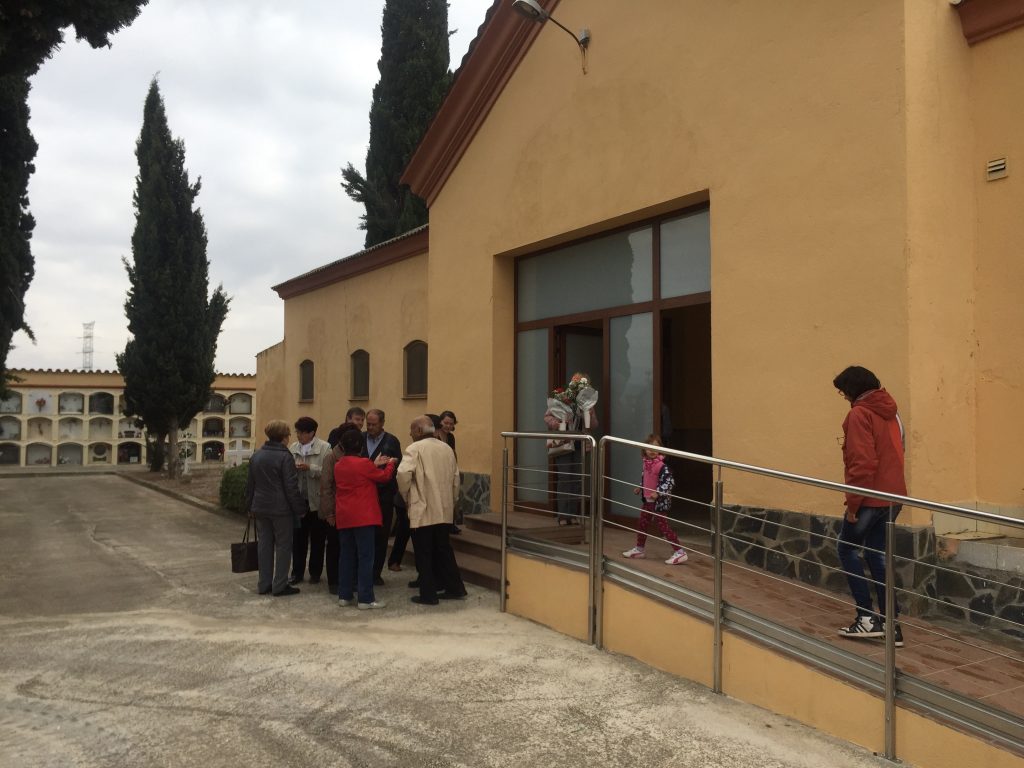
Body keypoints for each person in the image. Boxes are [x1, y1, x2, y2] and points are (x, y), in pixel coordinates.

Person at [832, 365, 907, 647]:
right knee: (877, 555)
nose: (843, 397)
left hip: (869, 498)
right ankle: (891, 625)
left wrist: (853, 504)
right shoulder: (892, 412)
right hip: (894, 497)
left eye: (843, 391)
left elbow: (861, 463)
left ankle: (866, 619)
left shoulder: (859, 414)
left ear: (853, 389)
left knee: (847, 548)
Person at [397, 415, 467, 605]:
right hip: (443, 509)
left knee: (424, 553)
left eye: (411, 430)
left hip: (422, 507)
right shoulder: (446, 448)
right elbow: (456, 479)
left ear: (418, 431)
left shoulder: (414, 448)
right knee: (444, 550)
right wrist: (451, 501)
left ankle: (428, 594)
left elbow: (403, 474)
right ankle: (455, 588)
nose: (410, 434)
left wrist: (406, 496)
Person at [333, 427, 395, 610]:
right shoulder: (363, 464)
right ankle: (365, 598)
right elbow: (383, 477)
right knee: (366, 557)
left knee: (346, 556)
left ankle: (344, 595)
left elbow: (360, 471)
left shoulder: (339, 464)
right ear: (360, 446)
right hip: (364, 516)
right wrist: (390, 463)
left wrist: (372, 464)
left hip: (344, 515)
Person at [244, 420, 306, 596]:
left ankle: (263, 584)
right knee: (283, 546)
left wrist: (249, 506)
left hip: (260, 506)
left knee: (264, 546)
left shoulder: (257, 455)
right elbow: (291, 486)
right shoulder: (285, 457)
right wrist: (299, 508)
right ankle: (280, 584)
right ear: (284, 437)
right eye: (288, 435)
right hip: (281, 509)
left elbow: (250, 484)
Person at [621, 435, 688, 564]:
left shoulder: (662, 466)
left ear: (660, 450)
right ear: (644, 449)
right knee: (642, 524)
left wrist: (658, 493)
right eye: (649, 447)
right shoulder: (646, 464)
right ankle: (639, 549)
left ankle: (680, 552)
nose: (652, 450)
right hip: (647, 502)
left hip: (659, 503)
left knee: (663, 527)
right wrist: (640, 488)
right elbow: (646, 479)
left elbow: (669, 483)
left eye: (655, 447)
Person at [320, 421, 362, 595]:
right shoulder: (331, 456)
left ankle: (352, 580)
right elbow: (326, 486)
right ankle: (334, 581)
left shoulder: (359, 454)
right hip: (337, 509)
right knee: (335, 546)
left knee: (354, 547)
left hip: (355, 509)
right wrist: (329, 512)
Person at [288, 416, 331, 585]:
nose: (298, 435)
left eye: (301, 432)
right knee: (298, 539)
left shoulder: (325, 448)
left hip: (317, 501)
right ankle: (297, 572)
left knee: (318, 539)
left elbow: (328, 472)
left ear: (312, 433)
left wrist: (310, 468)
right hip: (300, 501)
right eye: (297, 432)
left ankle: (315, 572)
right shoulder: (293, 448)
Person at [364, 408, 402, 583]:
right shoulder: (361, 439)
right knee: (365, 535)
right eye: (368, 424)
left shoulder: (391, 441)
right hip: (364, 496)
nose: (370, 427)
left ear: (382, 423)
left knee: (381, 535)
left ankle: (375, 573)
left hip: (384, 496)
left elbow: (397, 466)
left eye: (374, 424)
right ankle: (363, 570)